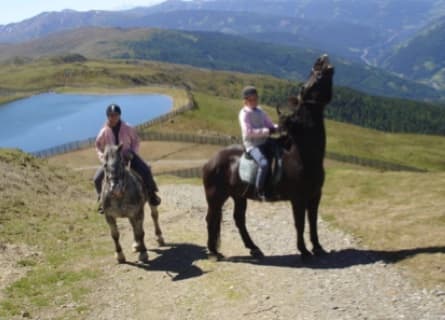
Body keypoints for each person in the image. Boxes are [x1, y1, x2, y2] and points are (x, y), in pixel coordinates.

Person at [93, 104, 161, 212]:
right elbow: (98, 146)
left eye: (115, 115)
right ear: (107, 116)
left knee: (146, 170)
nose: (113, 117)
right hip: (112, 161)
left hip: (128, 156)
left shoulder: (128, 128)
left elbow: (136, 141)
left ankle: (152, 195)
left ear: (119, 115)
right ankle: (102, 201)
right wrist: (103, 158)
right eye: (111, 115)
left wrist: (132, 153)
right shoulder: (104, 132)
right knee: (97, 179)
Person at [238, 86, 278, 200]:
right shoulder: (244, 114)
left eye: (256, 99)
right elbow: (248, 132)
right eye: (252, 99)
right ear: (245, 101)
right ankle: (258, 190)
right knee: (264, 164)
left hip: (265, 141)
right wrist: (266, 131)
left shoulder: (260, 111)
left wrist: (278, 127)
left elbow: (269, 124)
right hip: (252, 145)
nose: (255, 101)